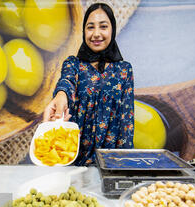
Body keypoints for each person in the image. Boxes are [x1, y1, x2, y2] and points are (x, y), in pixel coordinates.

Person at [43, 3, 134, 166]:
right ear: (83, 31)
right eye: (90, 27)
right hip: (72, 162)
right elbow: (66, 82)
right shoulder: (74, 64)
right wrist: (61, 96)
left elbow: (126, 122)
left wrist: (124, 165)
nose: (96, 34)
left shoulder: (124, 70)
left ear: (112, 29)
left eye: (103, 27)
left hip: (110, 163)